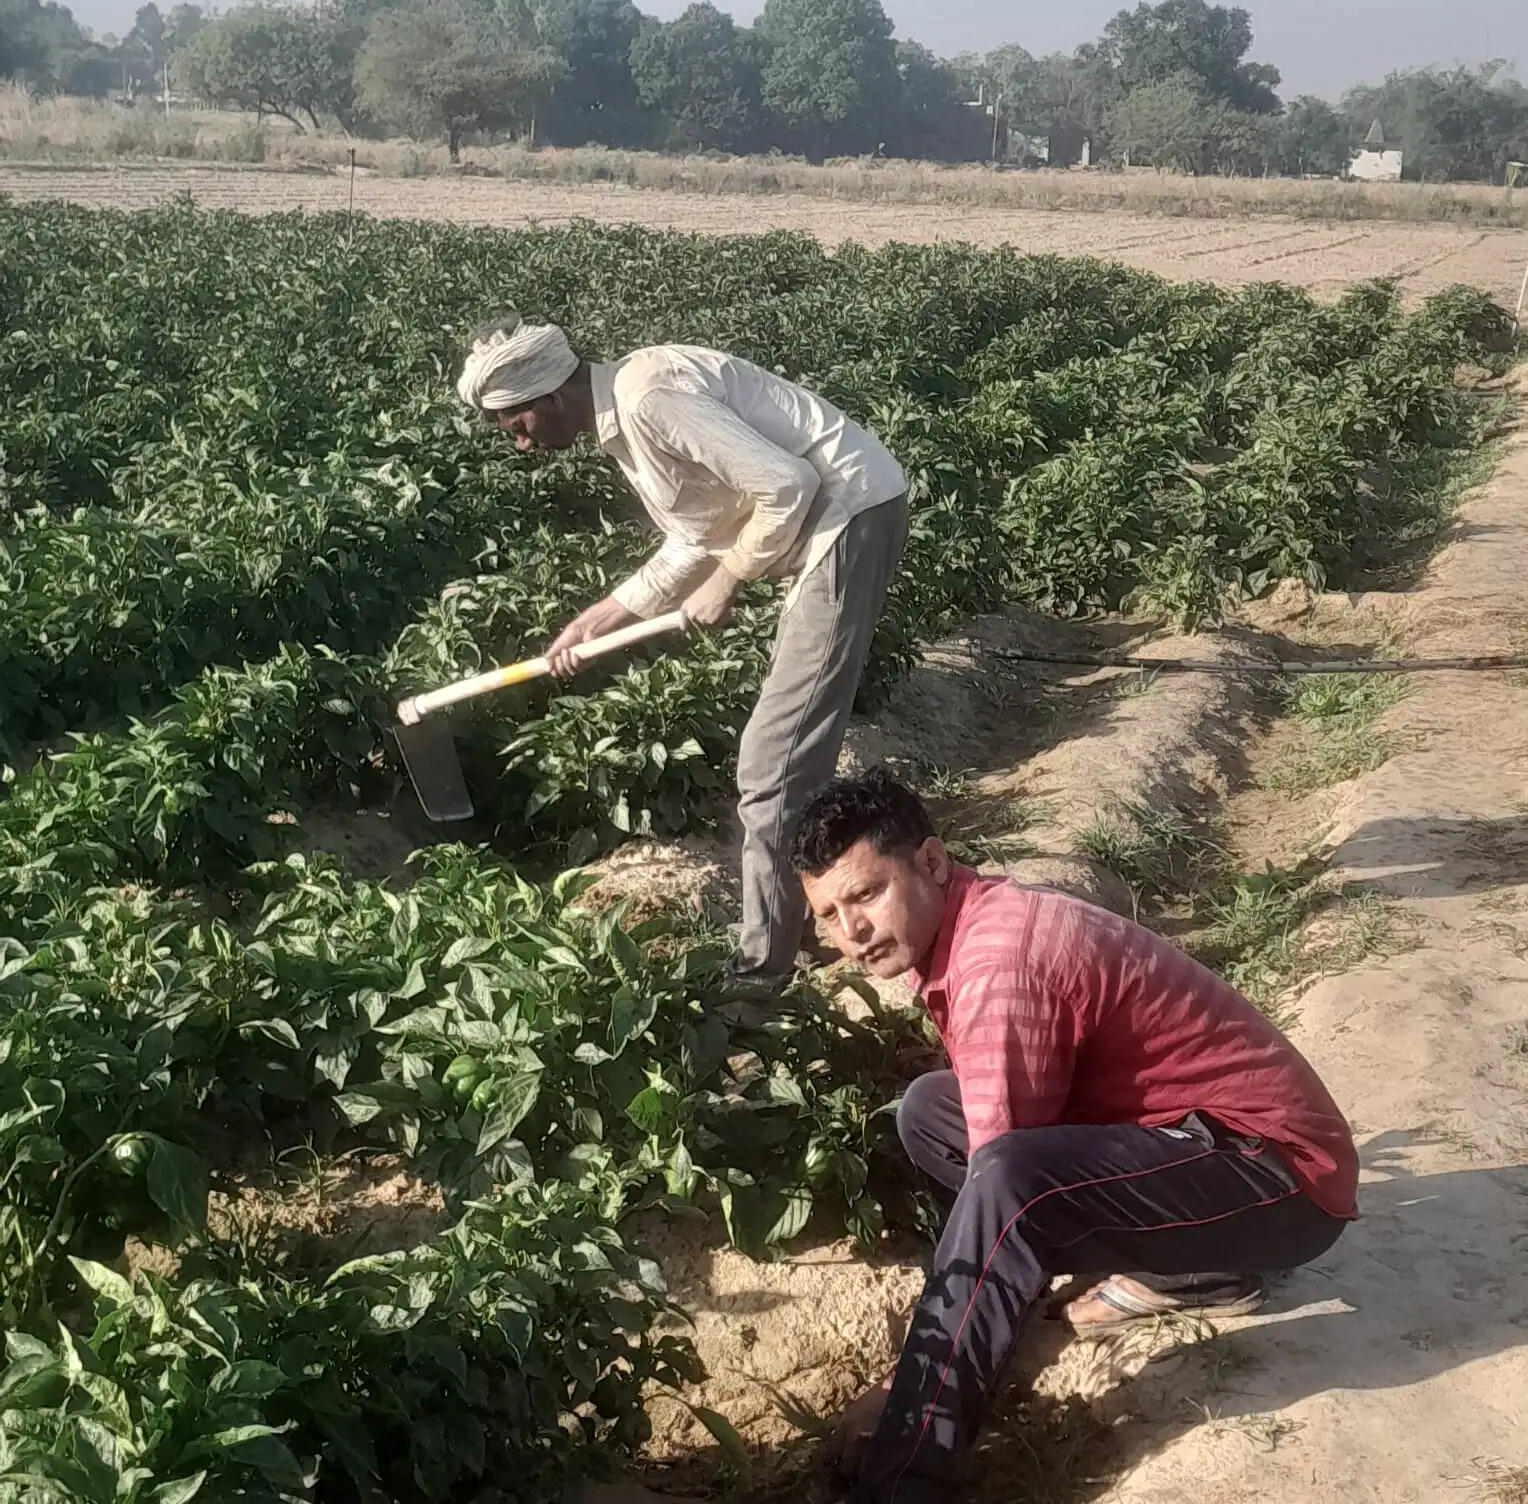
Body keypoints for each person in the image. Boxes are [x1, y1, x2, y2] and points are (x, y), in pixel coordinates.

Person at [789, 769, 1359, 1504]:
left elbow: (1005, 1191)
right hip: (1199, 1143)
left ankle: (902, 1478)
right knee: (933, 1109)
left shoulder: (999, 963)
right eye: (829, 915)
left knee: (1008, 1187)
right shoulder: (972, 927)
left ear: (931, 863)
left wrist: (904, 1391)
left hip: (1281, 1181)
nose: (851, 932)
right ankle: (1201, 1273)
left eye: (866, 894)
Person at [456, 313, 909, 1000]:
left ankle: (764, 977)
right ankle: (824, 911)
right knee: (784, 763)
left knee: (772, 768)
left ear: (548, 395)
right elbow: (700, 533)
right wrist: (600, 616)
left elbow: (787, 485)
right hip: (838, 522)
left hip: (846, 518)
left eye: (516, 425)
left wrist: (729, 581)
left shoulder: (647, 398)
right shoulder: (628, 424)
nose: (520, 444)